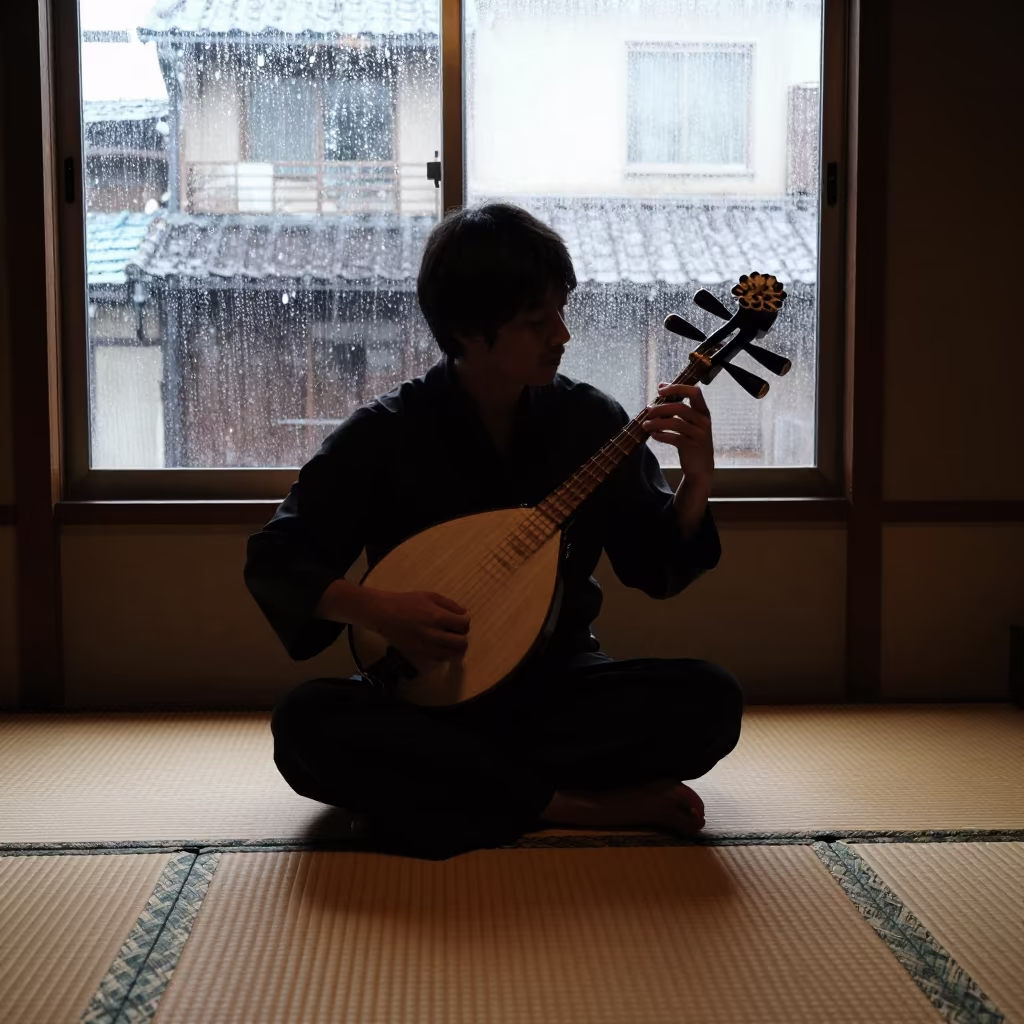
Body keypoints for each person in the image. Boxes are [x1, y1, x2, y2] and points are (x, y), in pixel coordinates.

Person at [244, 202, 743, 860]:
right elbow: (278, 559)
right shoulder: (386, 432)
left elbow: (654, 565)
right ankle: (570, 806)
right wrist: (376, 608)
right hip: (429, 698)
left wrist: (697, 482)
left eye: (562, 310)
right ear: (467, 330)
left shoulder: (588, 421)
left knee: (710, 700)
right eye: (537, 321)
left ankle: (462, 791)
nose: (561, 335)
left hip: (557, 691)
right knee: (306, 725)